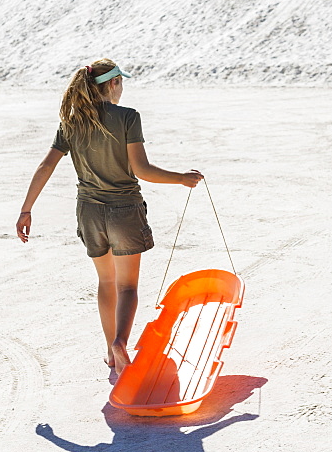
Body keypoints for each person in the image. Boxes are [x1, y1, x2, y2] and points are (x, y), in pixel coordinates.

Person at [16, 59, 203, 375]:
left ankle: (110, 350)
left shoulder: (71, 122)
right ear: (114, 83)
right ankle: (120, 341)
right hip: (124, 211)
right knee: (128, 287)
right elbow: (142, 170)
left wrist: (26, 209)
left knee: (106, 281)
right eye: (121, 82)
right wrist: (181, 178)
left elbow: (45, 166)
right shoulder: (128, 117)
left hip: (89, 213)